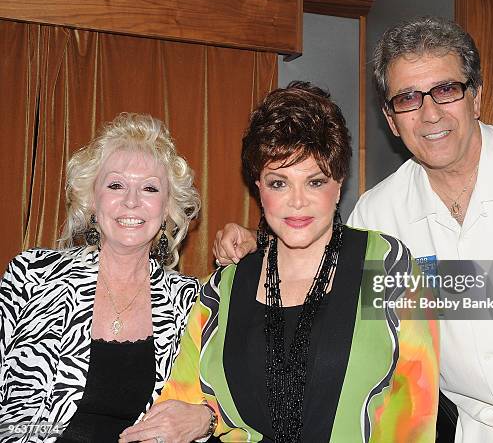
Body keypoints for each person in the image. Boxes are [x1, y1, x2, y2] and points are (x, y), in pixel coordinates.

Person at [213, 18, 493, 442]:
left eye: (445, 90)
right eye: (408, 98)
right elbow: (331, 281)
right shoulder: (379, 210)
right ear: (390, 118)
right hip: (485, 433)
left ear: (475, 96)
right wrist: (268, 245)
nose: (430, 113)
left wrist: (445, 288)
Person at [120, 81, 439, 443]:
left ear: (339, 185)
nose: (297, 202)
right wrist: (210, 418)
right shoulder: (224, 289)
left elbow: (413, 412)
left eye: (315, 182)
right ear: (258, 187)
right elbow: (180, 403)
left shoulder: (385, 268)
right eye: (279, 183)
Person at [0, 113, 203, 442]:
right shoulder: (32, 274)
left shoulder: (190, 302)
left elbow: (221, 404)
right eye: (116, 185)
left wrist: (206, 419)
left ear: (168, 207)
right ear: (92, 200)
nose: (132, 201)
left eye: (149, 188)